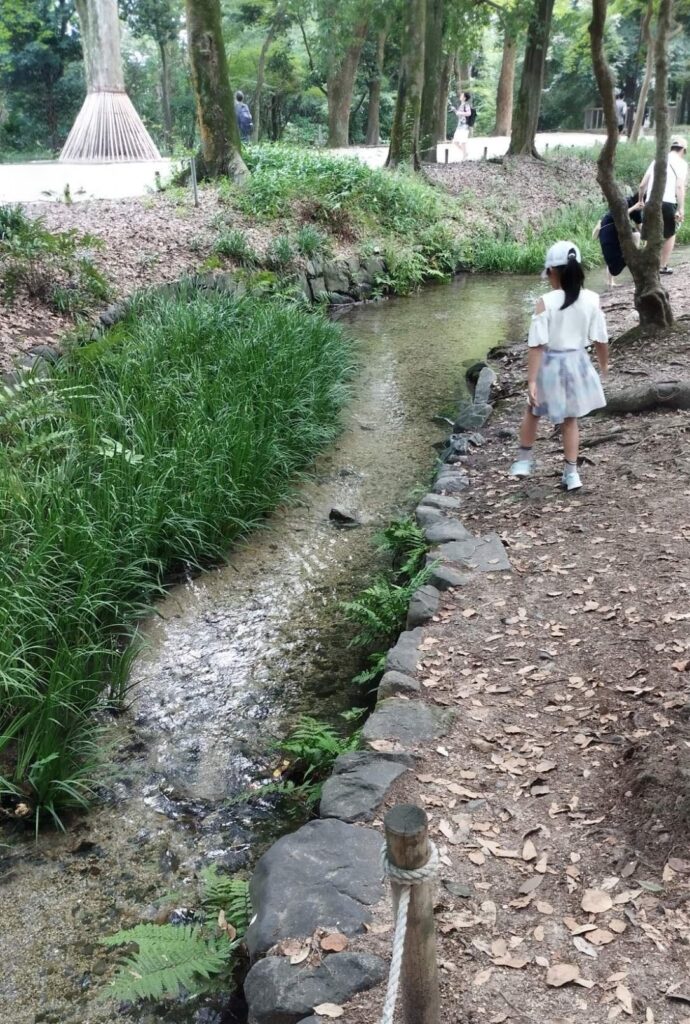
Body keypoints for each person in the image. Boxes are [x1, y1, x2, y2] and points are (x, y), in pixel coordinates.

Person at [509, 241, 609, 492]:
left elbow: (536, 345)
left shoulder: (546, 301)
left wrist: (531, 380)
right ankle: (571, 473)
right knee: (570, 420)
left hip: (550, 364)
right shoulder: (593, 299)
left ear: (552, 271)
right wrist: (603, 366)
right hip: (578, 364)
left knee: (533, 411)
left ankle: (523, 461)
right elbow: (600, 339)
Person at [638, 134, 687, 275]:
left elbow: (642, 185)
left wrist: (641, 200)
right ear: (683, 150)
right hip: (667, 202)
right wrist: (681, 208)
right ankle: (662, 266)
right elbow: (679, 187)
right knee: (670, 233)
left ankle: (647, 267)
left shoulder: (657, 160)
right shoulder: (682, 164)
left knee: (650, 234)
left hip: (650, 202)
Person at [592, 195, 643, 287]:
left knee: (636, 236)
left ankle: (635, 272)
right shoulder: (624, 202)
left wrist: (647, 237)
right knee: (612, 256)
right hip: (608, 229)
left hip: (618, 231)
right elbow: (619, 215)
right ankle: (610, 282)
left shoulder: (637, 210)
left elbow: (639, 226)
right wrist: (634, 207)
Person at [450, 92, 472, 161]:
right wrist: (455, 110)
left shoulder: (466, 105)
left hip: (464, 126)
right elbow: (459, 115)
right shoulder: (462, 105)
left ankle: (464, 156)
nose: (460, 96)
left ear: (464, 98)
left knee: (463, 142)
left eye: (462, 95)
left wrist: (459, 112)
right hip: (459, 126)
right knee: (455, 142)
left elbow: (469, 113)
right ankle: (465, 153)